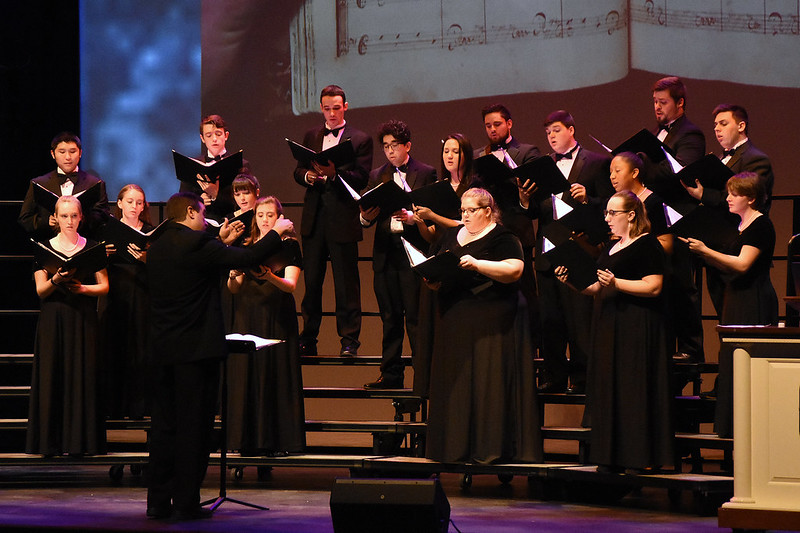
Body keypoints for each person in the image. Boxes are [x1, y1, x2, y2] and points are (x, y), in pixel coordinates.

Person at [145, 192, 294, 520]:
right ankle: (185, 502)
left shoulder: (157, 248)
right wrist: (277, 232)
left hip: (162, 352)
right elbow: (248, 257)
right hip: (195, 354)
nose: (205, 222)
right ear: (190, 212)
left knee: (164, 428)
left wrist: (217, 238)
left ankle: (157, 502)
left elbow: (199, 254)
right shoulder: (198, 245)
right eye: (201, 216)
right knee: (193, 429)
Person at [555, 191, 674, 473]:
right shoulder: (612, 247)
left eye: (612, 213)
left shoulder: (647, 245)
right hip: (609, 325)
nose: (607, 219)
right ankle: (611, 455)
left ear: (631, 215)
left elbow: (654, 286)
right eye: (606, 213)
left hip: (635, 327)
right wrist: (571, 281)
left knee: (632, 390)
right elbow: (597, 288)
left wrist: (617, 283)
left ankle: (638, 457)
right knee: (611, 389)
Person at [425, 188, 541, 464]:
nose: (464, 215)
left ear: (488, 211)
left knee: (487, 383)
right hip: (456, 319)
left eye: (471, 210)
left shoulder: (503, 237)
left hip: (491, 319)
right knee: (459, 384)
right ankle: (454, 448)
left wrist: (478, 264)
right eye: (462, 210)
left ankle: (490, 448)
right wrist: (432, 279)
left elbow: (515, 270)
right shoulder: (452, 236)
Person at [682, 173, 778, 439]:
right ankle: (731, 433)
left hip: (752, 300)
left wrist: (705, 251)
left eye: (735, 194)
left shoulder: (761, 226)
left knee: (746, 364)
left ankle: (750, 435)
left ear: (751, 198)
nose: (728, 198)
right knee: (730, 362)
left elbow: (743, 264)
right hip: (735, 298)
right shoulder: (739, 226)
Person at [531, 110, 613, 394]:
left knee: (579, 317)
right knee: (550, 318)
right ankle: (554, 376)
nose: (551, 136)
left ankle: (581, 378)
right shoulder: (542, 167)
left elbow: (609, 206)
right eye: (548, 133)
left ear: (571, 129)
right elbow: (535, 211)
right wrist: (523, 197)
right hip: (548, 249)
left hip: (579, 247)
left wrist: (588, 199)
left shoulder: (597, 163)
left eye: (556, 130)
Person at [293, 85, 373, 357]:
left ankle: (349, 340)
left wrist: (334, 173)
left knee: (346, 283)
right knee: (312, 282)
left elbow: (362, 178)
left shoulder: (360, 139)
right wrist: (308, 176)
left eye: (336, 108)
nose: (331, 114)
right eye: (326, 108)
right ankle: (308, 337)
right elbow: (298, 169)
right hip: (314, 220)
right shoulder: (312, 135)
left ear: (345, 107)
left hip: (342, 218)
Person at [26, 195, 109, 456]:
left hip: (82, 317)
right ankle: (50, 443)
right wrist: (57, 280)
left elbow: (104, 286)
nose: (70, 221)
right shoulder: (44, 248)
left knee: (82, 374)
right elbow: (41, 290)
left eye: (74, 216)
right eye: (64, 216)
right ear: (56, 218)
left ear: (81, 217)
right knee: (53, 374)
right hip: (53, 318)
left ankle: (80, 443)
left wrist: (83, 287)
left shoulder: (92, 246)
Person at [360, 120, 437, 389]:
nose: (390, 152)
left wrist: (412, 217)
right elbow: (367, 211)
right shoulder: (376, 175)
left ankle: (423, 375)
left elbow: (432, 214)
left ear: (408, 146)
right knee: (389, 318)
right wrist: (364, 217)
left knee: (415, 318)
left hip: (412, 253)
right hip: (385, 254)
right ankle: (390, 375)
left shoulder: (426, 173)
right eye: (386, 146)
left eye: (395, 146)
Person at [226, 196, 305, 456]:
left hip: (276, 315)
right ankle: (244, 440)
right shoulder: (246, 246)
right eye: (260, 215)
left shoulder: (289, 245)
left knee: (275, 374)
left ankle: (277, 441)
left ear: (279, 217)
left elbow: (291, 286)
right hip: (248, 314)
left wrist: (269, 276)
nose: (264, 220)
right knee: (246, 375)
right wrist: (233, 273)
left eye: (269, 215)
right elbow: (233, 289)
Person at [684, 104, 776, 319]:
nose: (717, 129)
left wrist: (703, 195)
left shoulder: (756, 159)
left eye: (723, 124)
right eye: (715, 125)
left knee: (742, 320)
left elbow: (751, 198)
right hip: (717, 248)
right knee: (724, 318)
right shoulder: (719, 159)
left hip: (740, 247)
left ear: (741, 125)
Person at [412, 133, 479, 398]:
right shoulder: (438, 187)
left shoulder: (474, 188)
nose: (449, 156)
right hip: (438, 254)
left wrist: (433, 215)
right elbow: (432, 234)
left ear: (466, 154)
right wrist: (419, 220)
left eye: (455, 151)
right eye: (446, 151)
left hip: (463, 255)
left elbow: (466, 225)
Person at [473, 104, 542, 364]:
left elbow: (533, 199)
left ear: (509, 124)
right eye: (488, 126)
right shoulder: (480, 155)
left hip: (517, 233)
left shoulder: (526, 152)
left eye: (497, 124)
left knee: (525, 295)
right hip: (488, 237)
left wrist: (520, 190)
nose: (492, 130)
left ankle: (532, 352)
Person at [646, 76, 706, 364]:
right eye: (655, 102)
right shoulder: (656, 133)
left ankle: (692, 349)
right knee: (664, 283)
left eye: (663, 102)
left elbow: (678, 171)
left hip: (681, 219)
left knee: (683, 284)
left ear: (680, 103)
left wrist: (643, 167)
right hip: (657, 220)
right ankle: (666, 344)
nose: (657, 107)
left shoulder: (691, 134)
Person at [102, 184, 153, 419]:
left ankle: (138, 407)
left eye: (139, 202)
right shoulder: (107, 230)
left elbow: (163, 269)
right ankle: (113, 406)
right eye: (130, 201)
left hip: (143, 295)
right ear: (119, 203)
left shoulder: (151, 232)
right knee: (115, 347)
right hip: (116, 294)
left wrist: (147, 258)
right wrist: (104, 254)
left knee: (141, 349)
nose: (134, 206)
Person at [19, 132, 109, 242]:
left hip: (85, 246)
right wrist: (47, 222)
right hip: (49, 246)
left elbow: (103, 218)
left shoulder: (95, 184)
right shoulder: (39, 183)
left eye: (72, 152)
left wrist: (80, 219)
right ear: (53, 154)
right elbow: (25, 218)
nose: (68, 157)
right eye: (62, 152)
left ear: (80, 153)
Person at [178, 114, 244, 220]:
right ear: (202, 138)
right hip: (200, 224)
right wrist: (198, 201)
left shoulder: (241, 164)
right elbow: (182, 199)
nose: (214, 139)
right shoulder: (192, 165)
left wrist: (216, 195)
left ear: (226, 136)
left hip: (231, 221)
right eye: (208, 135)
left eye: (218, 134)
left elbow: (246, 200)